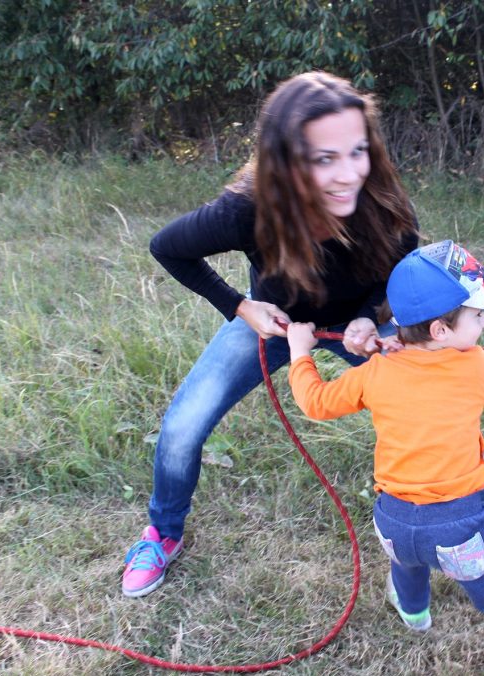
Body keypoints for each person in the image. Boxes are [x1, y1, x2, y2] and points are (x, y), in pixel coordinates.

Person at [120, 71, 420, 598]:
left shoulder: (378, 194)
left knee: (432, 409)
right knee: (183, 426)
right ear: (286, 161)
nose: (348, 173)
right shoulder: (248, 208)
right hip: (276, 325)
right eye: (324, 158)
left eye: (357, 151)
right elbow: (167, 247)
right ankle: (163, 534)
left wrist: (369, 317)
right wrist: (240, 307)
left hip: (358, 326)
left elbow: (403, 262)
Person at [286, 240, 484, 676]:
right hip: (459, 527)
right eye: (478, 315)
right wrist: (388, 348)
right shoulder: (474, 363)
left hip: (392, 521)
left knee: (411, 559)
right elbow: (427, 366)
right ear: (439, 330)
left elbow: (316, 402)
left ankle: (415, 613)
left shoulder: (375, 373)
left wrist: (300, 351)